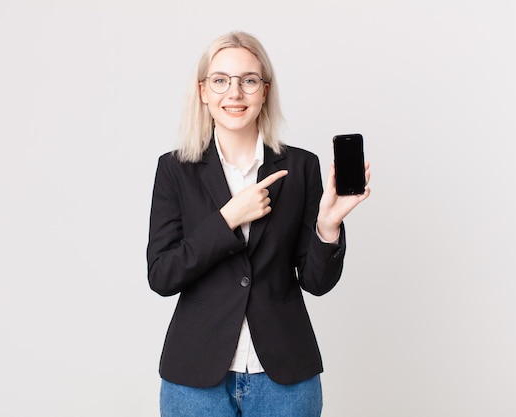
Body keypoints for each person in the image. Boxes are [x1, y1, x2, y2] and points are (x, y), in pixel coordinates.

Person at [147, 30, 371, 417]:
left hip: (284, 378)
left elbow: (316, 283)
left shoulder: (301, 167)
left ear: (264, 91)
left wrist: (328, 226)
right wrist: (228, 218)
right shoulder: (175, 169)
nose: (234, 93)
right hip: (196, 380)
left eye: (248, 80)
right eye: (220, 80)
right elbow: (162, 275)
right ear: (203, 91)